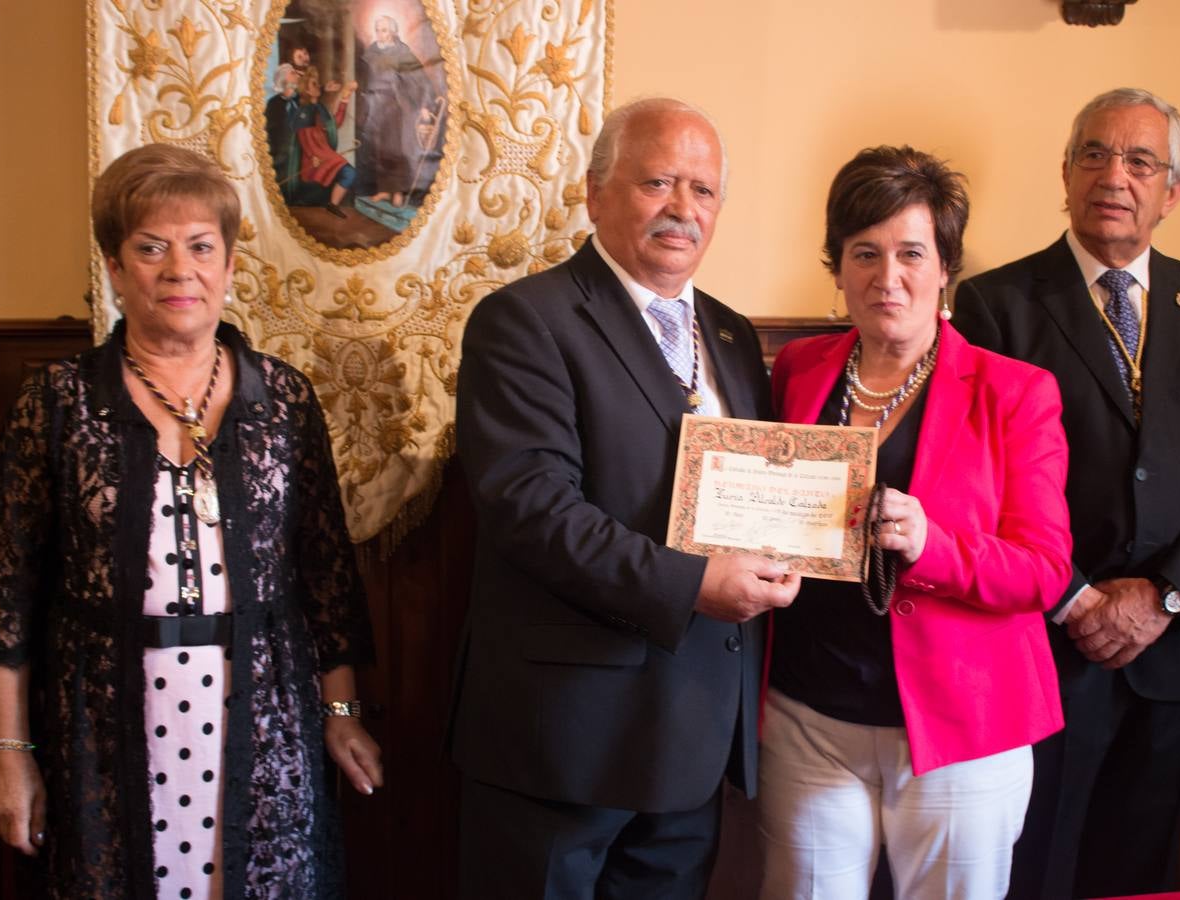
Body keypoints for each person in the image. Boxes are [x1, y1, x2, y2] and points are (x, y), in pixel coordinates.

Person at [0, 144, 383, 899]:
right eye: (150, 248)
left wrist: (341, 712)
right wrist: (6, 750)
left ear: (229, 266)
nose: (179, 270)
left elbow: (325, 577)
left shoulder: (285, 402)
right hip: (104, 729)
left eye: (201, 247)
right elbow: (6, 598)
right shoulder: (58, 403)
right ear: (114, 265)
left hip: (267, 729)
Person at [450, 97, 802, 898]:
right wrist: (694, 585)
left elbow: (758, 492)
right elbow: (532, 507)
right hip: (563, 742)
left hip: (693, 737)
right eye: (658, 182)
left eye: (704, 190)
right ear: (595, 193)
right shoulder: (523, 321)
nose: (684, 209)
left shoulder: (734, 335)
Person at [952, 87, 1180, 899]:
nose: (1114, 175)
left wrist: (1164, 595)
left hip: (1179, 644)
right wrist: (1079, 600)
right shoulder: (998, 304)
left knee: (1143, 871)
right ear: (1064, 173)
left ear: (1173, 193)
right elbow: (978, 478)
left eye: (1141, 161)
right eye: (1095, 154)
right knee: (1038, 865)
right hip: (1052, 639)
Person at [757, 146, 1073, 900]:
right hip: (809, 716)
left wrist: (933, 545)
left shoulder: (1016, 392)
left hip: (963, 726)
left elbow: (1046, 569)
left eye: (910, 253)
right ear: (836, 268)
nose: (886, 276)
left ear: (945, 268)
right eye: (863, 253)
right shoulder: (798, 368)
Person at [355, 14, 440, 208]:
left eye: (384, 30)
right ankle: (384, 189)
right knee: (379, 150)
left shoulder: (402, 53)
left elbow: (420, 81)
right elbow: (363, 78)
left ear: (393, 32)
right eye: (378, 30)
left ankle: (398, 192)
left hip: (396, 106)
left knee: (397, 149)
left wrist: (426, 105)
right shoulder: (371, 52)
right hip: (374, 106)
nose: (380, 34)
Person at [289, 66, 360, 217]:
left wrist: (345, 99)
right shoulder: (305, 110)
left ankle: (332, 205)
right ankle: (331, 204)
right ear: (307, 91)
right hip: (317, 155)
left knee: (348, 173)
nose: (318, 86)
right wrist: (312, 155)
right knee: (348, 173)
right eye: (314, 84)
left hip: (324, 152)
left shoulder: (319, 107)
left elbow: (335, 124)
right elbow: (303, 135)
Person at [264, 63, 301, 190]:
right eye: (293, 73)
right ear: (284, 80)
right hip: (280, 154)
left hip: (299, 151)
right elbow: (268, 130)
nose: (298, 75)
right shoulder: (273, 104)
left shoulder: (300, 100)